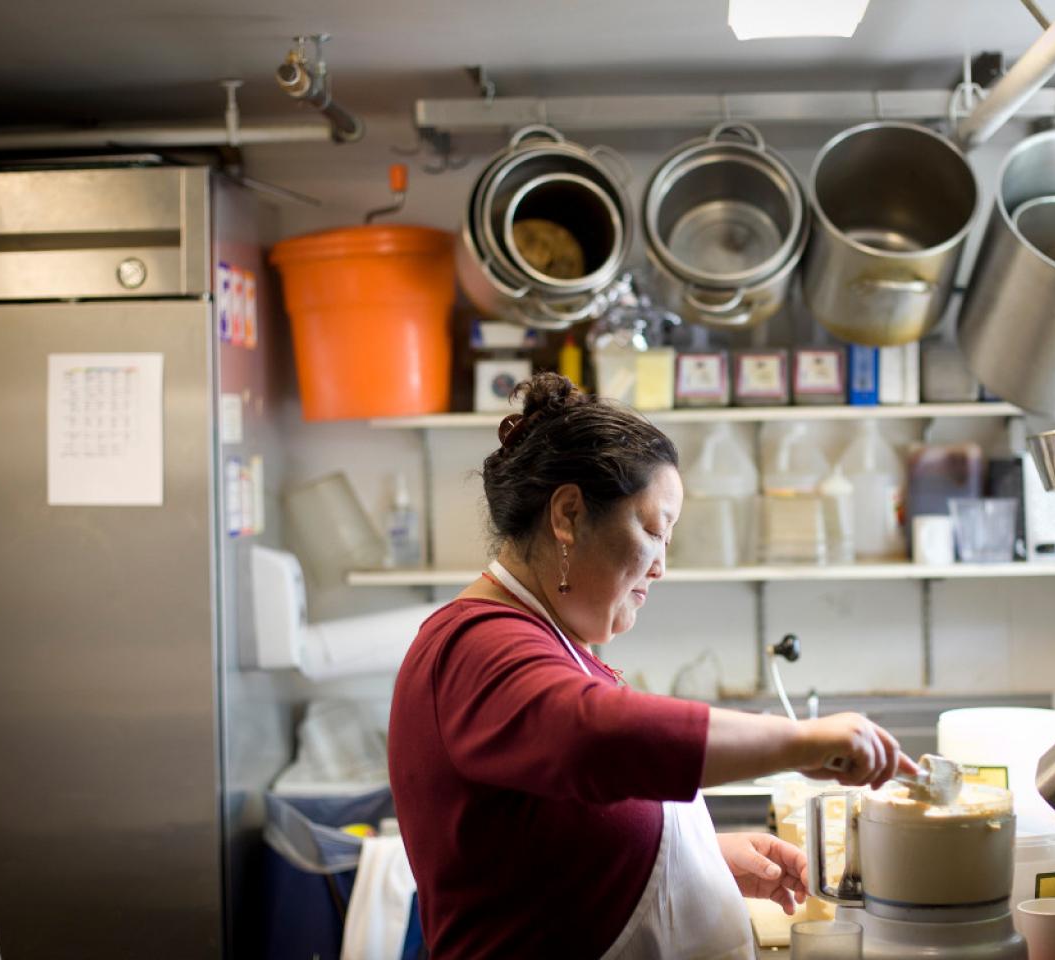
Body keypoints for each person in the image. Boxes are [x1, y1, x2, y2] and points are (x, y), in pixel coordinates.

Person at [388, 372, 915, 959]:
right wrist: (804, 742)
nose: (661, 566)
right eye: (652, 531)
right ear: (568, 514)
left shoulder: (551, 641)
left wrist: (703, 859)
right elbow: (594, 738)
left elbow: (546, 844)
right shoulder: (475, 647)